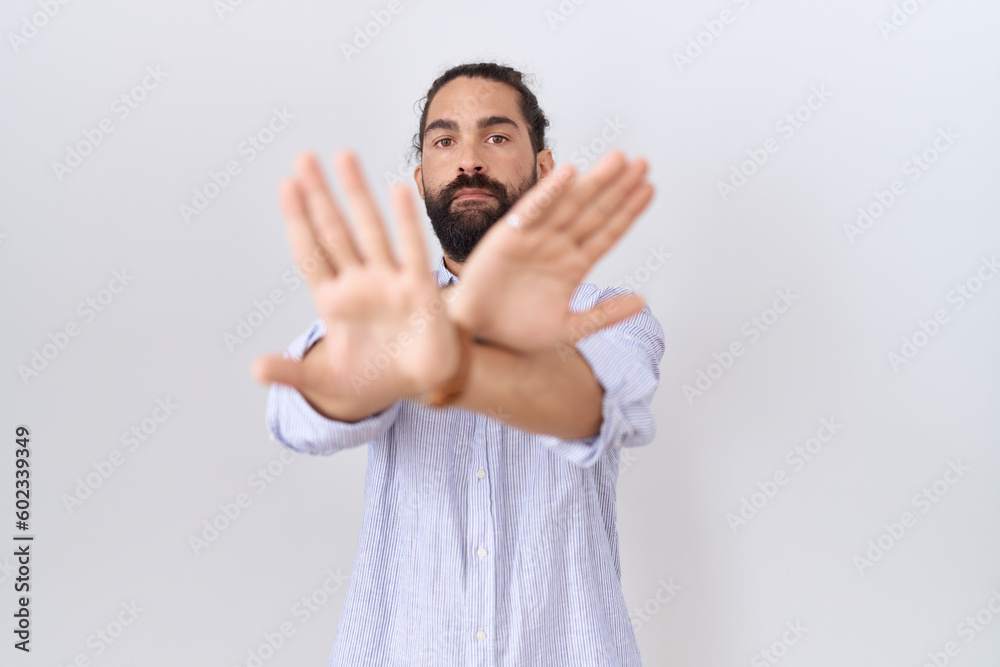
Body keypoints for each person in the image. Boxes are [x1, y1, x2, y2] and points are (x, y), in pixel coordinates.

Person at [252, 62, 665, 666]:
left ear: (545, 169)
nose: (469, 160)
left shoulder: (610, 313)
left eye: (496, 136)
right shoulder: (383, 312)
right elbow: (306, 415)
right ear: (422, 179)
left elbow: (590, 409)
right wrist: (400, 346)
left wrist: (450, 356)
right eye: (445, 141)